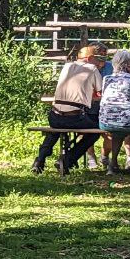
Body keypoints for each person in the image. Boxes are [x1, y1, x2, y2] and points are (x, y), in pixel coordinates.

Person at [31, 45, 103, 174]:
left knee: (55, 130)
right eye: (98, 59)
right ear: (90, 58)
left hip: (54, 115)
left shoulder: (67, 66)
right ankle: (68, 159)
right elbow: (99, 92)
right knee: (95, 131)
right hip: (74, 117)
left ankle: (39, 160)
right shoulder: (92, 68)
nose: (100, 63)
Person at [86, 41, 113, 169]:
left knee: (111, 134)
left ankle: (105, 156)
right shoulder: (85, 68)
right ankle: (91, 157)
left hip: (107, 105)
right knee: (85, 132)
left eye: (105, 57)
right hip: (89, 105)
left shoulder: (110, 67)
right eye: (100, 57)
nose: (103, 60)